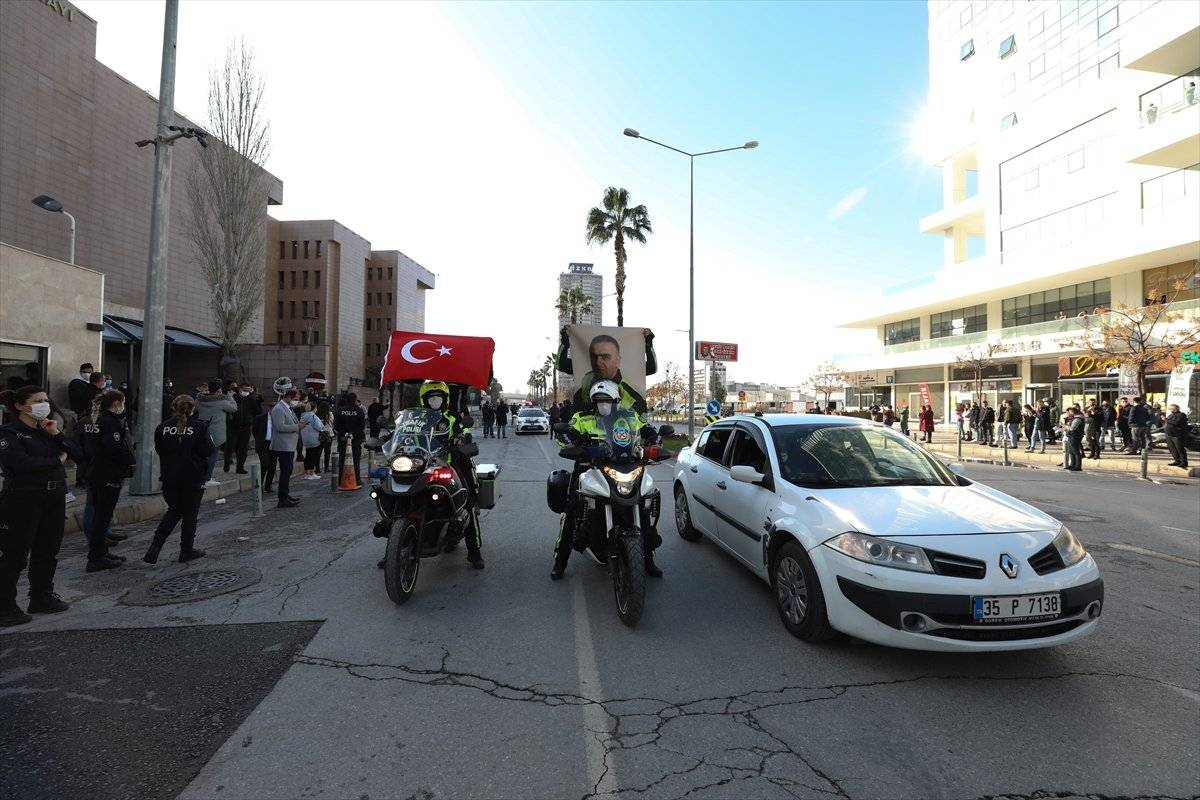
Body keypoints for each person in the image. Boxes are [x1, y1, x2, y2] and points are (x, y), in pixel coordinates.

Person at [551, 380, 662, 581]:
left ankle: (648, 559)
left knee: (643, 506)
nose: (603, 404)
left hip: (624, 465)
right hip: (589, 467)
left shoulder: (629, 416)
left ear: (616, 401)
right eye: (599, 400)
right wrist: (578, 446)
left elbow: (647, 429)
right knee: (571, 509)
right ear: (593, 402)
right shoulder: (582, 418)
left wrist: (653, 440)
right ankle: (560, 561)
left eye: (607, 400)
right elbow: (564, 435)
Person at [0, 386, 85, 626]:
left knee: (47, 551)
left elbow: (78, 455)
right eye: (37, 400)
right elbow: (20, 463)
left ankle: (41, 596)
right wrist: (56, 461)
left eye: (46, 400)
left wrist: (57, 434)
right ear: (20, 405)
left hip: (54, 497)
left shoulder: (46, 430)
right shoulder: (9, 433)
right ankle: (5, 606)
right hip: (23, 499)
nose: (44, 404)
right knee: (14, 554)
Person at [143, 395, 213, 564]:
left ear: (173, 408)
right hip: (192, 477)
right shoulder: (200, 427)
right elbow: (208, 450)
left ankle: (156, 545)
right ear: (193, 409)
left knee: (174, 511)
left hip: (170, 477)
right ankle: (186, 549)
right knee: (190, 515)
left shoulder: (162, 427)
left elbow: (160, 449)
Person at [82, 389, 135, 571]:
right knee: (102, 517)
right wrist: (130, 460)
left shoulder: (92, 419)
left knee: (99, 515)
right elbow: (113, 447)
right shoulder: (110, 421)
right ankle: (96, 556)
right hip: (108, 473)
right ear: (116, 403)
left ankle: (101, 552)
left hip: (94, 470)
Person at [559, 329, 656, 415]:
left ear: (618, 360)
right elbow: (561, 364)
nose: (598, 362)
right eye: (594, 357)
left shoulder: (631, 394)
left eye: (605, 357)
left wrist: (648, 345)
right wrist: (565, 341)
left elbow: (652, 368)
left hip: (620, 432)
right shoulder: (584, 386)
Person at [196, 381, 236, 486]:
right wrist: (230, 396)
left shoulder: (199, 400)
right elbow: (234, 408)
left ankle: (201, 476)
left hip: (201, 430)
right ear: (219, 390)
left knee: (202, 456)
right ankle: (207, 478)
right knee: (212, 456)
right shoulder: (221, 401)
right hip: (216, 433)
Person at [270, 387, 304, 508]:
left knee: (288, 471)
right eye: (295, 398)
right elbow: (280, 427)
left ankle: (286, 494)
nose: (297, 401)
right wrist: (297, 427)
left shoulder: (288, 408)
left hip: (289, 445)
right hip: (283, 445)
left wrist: (300, 425)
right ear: (289, 397)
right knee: (285, 471)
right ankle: (282, 499)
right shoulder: (279, 409)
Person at [334, 392, 366, 485]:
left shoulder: (340, 410)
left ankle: (341, 479)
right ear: (355, 400)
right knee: (355, 460)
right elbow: (362, 426)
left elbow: (336, 425)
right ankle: (356, 479)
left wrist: (344, 433)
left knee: (342, 459)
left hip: (343, 439)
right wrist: (353, 434)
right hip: (355, 440)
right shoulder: (359, 410)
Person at [223, 382, 255, 475]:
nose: (246, 392)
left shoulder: (251, 400)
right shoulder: (233, 398)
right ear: (240, 389)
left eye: (248, 390)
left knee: (243, 449)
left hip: (246, 427)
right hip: (232, 427)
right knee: (229, 447)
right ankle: (226, 464)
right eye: (244, 390)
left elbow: (256, 412)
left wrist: (251, 421)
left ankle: (240, 467)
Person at [251, 397, 276, 494]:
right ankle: (259, 485)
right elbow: (255, 430)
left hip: (273, 445)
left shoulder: (278, 420)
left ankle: (268, 486)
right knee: (265, 464)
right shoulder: (260, 418)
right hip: (263, 444)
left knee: (272, 466)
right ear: (269, 409)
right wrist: (259, 440)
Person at [300, 399, 328, 480]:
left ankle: (306, 473)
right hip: (314, 438)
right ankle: (312, 472)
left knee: (307, 456)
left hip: (305, 438)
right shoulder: (313, 416)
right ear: (314, 408)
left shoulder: (303, 416)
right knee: (313, 456)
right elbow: (319, 427)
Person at [1163, 403, 1190, 469]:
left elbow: (1176, 423)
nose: (1170, 410)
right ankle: (1177, 461)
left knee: (1180, 449)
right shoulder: (1171, 415)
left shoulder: (1181, 415)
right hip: (1169, 434)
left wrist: (1166, 420)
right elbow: (1168, 422)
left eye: (1171, 409)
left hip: (1177, 435)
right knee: (1172, 449)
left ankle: (1184, 462)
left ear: (1174, 409)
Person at [1064, 406, 1085, 471]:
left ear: (1073, 412)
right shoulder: (1075, 418)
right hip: (1072, 435)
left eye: (1070, 412)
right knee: (1071, 451)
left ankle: (1078, 466)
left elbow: (1072, 428)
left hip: (1075, 436)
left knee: (1076, 451)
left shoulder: (1077, 419)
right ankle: (1072, 464)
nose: (1069, 413)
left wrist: (1065, 426)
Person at [317, 400, 334, 473]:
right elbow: (332, 422)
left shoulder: (317, 414)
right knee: (327, 452)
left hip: (320, 435)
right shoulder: (330, 414)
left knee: (318, 452)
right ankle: (326, 468)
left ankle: (317, 468)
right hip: (329, 434)